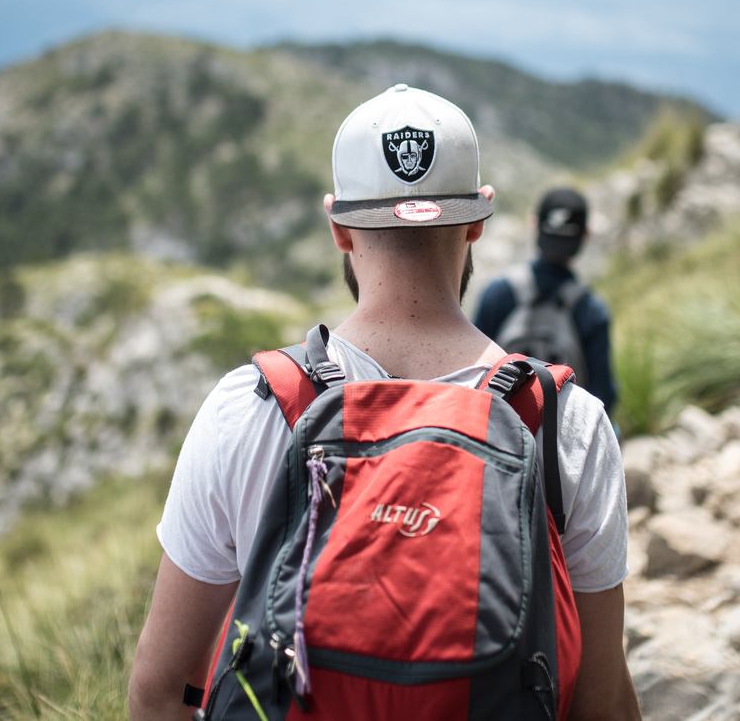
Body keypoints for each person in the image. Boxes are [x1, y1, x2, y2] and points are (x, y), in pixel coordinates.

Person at [128, 83, 641, 721]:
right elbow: (598, 699)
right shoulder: (566, 422)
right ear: (478, 219)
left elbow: (163, 687)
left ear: (339, 227)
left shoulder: (253, 408)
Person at [473, 187, 618, 415]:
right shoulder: (590, 309)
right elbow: (604, 396)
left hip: (498, 432)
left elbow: (473, 372)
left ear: (534, 225)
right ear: (586, 236)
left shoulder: (499, 293)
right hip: (562, 440)